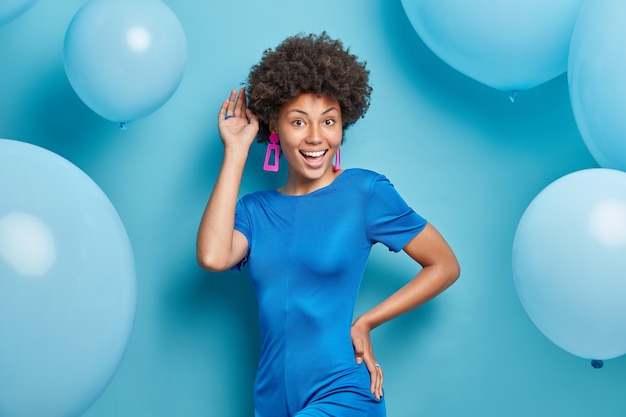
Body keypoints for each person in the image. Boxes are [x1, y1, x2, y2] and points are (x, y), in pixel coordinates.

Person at [197, 32, 460, 417]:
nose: (317, 137)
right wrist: (236, 151)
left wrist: (367, 321)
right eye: (299, 122)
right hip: (271, 399)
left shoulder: (364, 192)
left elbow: (445, 265)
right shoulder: (255, 211)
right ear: (275, 125)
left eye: (329, 121)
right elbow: (212, 256)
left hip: (343, 391)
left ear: (343, 124)